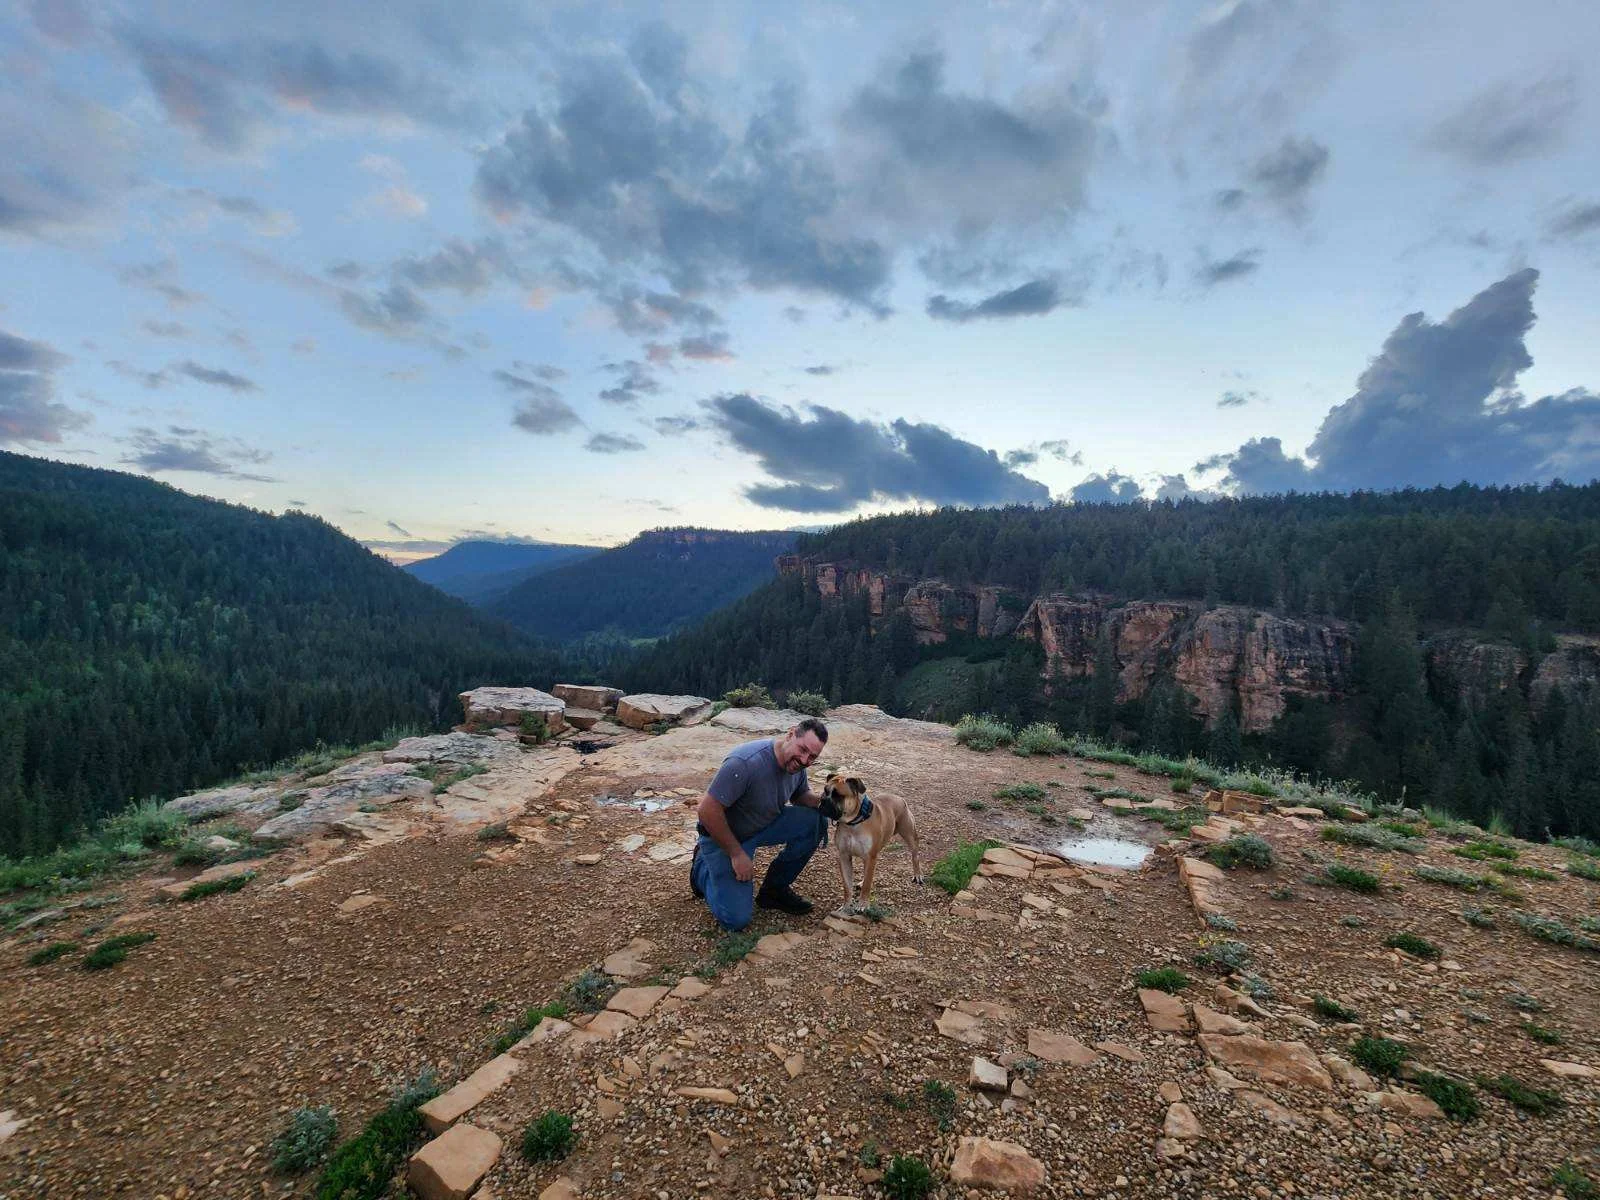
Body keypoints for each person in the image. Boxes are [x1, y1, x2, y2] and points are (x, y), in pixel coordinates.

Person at [691, 717, 830, 931]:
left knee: (816, 820)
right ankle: (701, 868)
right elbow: (707, 811)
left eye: (812, 756)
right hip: (726, 836)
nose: (805, 760)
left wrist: (825, 803)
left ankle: (774, 890)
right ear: (791, 734)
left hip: (764, 823)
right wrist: (737, 854)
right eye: (803, 750)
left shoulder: (797, 765)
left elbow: (800, 795)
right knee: (736, 919)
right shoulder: (746, 763)